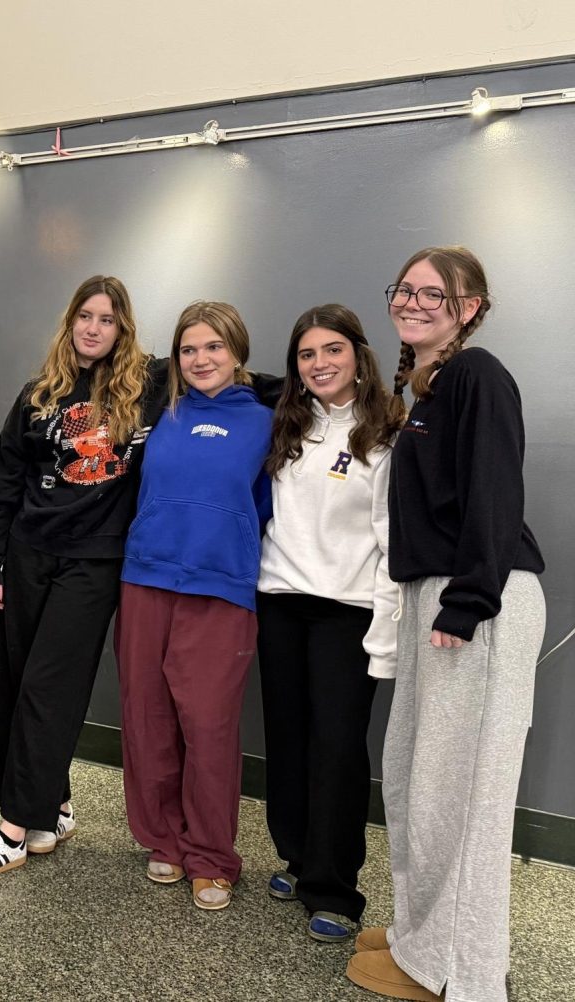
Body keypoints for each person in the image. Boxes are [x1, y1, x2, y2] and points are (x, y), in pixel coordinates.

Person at [345, 248, 546, 1002]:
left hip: (478, 598)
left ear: (470, 307)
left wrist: (468, 600)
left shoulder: (477, 375)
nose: (415, 301)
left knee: (461, 795)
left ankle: (457, 972)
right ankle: (419, 933)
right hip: (436, 594)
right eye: (406, 289)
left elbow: (496, 485)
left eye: (437, 293)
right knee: (414, 778)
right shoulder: (424, 389)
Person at [0, 275, 161, 879]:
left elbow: (224, 367)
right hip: (27, 555)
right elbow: (5, 482)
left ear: (123, 329)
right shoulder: (40, 394)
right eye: (85, 316)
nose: (94, 328)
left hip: (92, 562)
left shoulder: (149, 384)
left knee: (51, 688)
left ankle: (13, 831)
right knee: (19, 685)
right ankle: (53, 806)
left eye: (108, 319)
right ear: (71, 322)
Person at [114, 300, 273, 910]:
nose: (201, 359)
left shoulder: (267, 419)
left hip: (222, 586)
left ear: (237, 352)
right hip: (146, 577)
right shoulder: (159, 410)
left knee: (207, 727)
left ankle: (211, 855)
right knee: (148, 717)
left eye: (214, 347)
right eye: (189, 348)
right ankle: (165, 840)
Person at [256, 304, 402, 941]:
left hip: (348, 609)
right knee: (287, 738)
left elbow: (394, 540)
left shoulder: (387, 432)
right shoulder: (285, 423)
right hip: (279, 601)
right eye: (307, 354)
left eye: (333, 350)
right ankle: (296, 856)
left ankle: (335, 886)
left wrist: (387, 629)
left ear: (358, 355)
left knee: (339, 748)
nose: (320, 364)